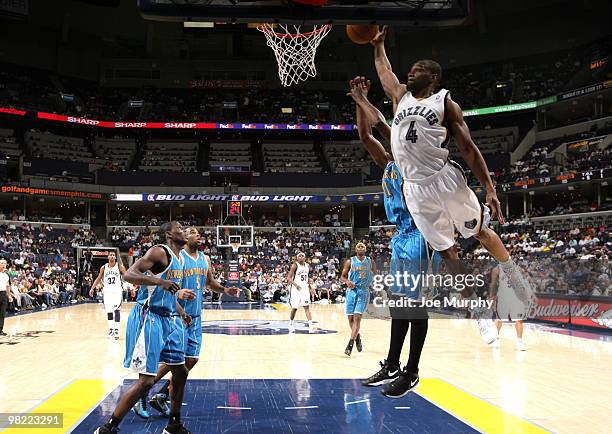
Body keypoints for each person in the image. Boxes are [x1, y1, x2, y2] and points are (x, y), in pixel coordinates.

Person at [356, 26, 535, 344]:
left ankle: (511, 271)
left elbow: (468, 148)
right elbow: (385, 73)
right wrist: (379, 45)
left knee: (478, 230)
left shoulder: (444, 103)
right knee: (449, 251)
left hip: (443, 179)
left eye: (418, 70)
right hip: (414, 189)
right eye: (409, 70)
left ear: (434, 77)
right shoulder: (400, 97)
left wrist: (489, 188)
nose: (411, 73)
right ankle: (479, 312)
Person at [347, 77, 438, 397]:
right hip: (401, 235)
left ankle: (412, 370)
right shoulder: (387, 163)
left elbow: (384, 127)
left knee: (414, 306)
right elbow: (365, 134)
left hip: (420, 234)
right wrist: (358, 104)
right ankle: (394, 364)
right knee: (399, 305)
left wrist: (362, 99)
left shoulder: (413, 162)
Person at [94, 221, 196, 434]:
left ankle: (174, 425)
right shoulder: (159, 252)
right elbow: (128, 274)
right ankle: (107, 428)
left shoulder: (180, 259)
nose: (185, 230)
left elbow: (168, 292)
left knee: (180, 371)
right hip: (148, 318)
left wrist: (182, 312)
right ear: (169, 234)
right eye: (180, 228)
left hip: (168, 319)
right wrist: (159, 283)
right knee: (146, 382)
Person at [142, 227, 240, 418]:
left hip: (195, 316)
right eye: (194, 232)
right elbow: (164, 282)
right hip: (178, 315)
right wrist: (177, 295)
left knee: (191, 360)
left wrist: (225, 290)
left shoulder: (205, 258)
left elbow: (210, 283)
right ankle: (144, 389)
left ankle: (161, 395)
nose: (198, 235)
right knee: (175, 362)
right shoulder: (178, 258)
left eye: (199, 233)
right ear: (185, 237)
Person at [340, 242, 377, 356]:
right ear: (355, 249)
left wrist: (371, 282)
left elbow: (375, 274)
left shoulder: (371, 262)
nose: (361, 247)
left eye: (363, 246)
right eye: (358, 246)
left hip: (363, 292)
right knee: (350, 319)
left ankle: (350, 345)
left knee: (357, 317)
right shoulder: (350, 261)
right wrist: (347, 282)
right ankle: (357, 336)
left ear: (365, 249)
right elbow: (342, 277)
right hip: (351, 292)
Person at [491, 264, 528, 351]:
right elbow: (493, 284)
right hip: (503, 296)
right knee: (499, 319)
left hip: (516, 297)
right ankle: (496, 339)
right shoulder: (497, 269)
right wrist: (492, 295)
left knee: (519, 320)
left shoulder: (517, 267)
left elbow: (524, 280)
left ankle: (519, 342)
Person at [90, 251, 126, 339]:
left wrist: (132, 287)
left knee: (117, 310)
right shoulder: (104, 267)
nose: (112, 256)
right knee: (109, 311)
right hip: (107, 292)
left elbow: (127, 276)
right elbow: (99, 278)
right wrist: (92, 288)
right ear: (108, 257)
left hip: (117, 291)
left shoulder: (119, 266)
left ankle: (116, 330)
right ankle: (111, 330)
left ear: (115, 257)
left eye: (113, 255)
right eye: (110, 255)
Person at [287, 252, 315, 334]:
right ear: (297, 258)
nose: (301, 257)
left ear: (305, 258)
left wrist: (310, 286)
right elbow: (289, 277)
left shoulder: (307, 266)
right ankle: (291, 324)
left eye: (303, 256)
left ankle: (311, 327)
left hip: (305, 289)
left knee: (306, 307)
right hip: (296, 289)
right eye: (300, 256)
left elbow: (307, 277)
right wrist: (295, 285)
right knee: (294, 308)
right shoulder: (295, 265)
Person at [0, 259, 10, 336]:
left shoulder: (6, 275)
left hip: (3, 294)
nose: (4, 265)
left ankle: (0, 330)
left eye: (5, 263)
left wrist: (9, 295)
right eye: (2, 263)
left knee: (2, 313)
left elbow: (7, 286)